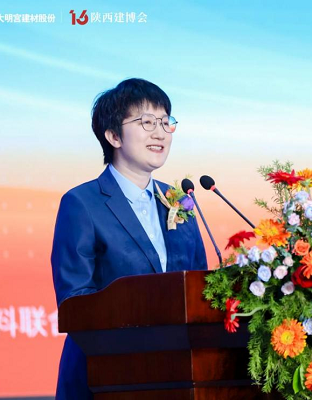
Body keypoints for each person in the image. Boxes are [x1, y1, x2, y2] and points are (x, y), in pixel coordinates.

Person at [51, 78, 208, 399]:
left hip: (177, 377)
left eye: (165, 122)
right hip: (106, 376)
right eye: (147, 122)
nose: (160, 133)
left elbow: (202, 287)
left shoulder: (179, 201)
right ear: (113, 135)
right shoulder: (82, 203)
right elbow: (74, 302)